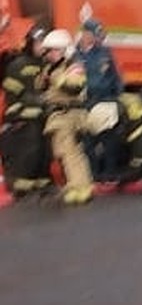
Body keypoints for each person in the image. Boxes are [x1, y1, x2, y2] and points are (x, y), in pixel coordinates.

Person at [39, 27, 94, 205]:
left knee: (73, 153)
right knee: (63, 153)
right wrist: (45, 78)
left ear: (64, 49)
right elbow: (41, 89)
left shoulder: (73, 66)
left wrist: (56, 78)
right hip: (58, 116)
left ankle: (83, 187)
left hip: (71, 114)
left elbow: (75, 86)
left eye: (54, 50)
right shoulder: (50, 68)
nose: (50, 54)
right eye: (49, 50)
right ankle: (74, 185)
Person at [0, 23, 53, 195]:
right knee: (32, 137)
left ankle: (42, 177)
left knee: (46, 142)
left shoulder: (46, 64)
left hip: (41, 110)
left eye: (43, 43)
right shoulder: (17, 65)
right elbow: (12, 94)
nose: (41, 47)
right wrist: (33, 104)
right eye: (38, 43)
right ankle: (20, 182)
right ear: (30, 43)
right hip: (19, 112)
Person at [77, 18, 124, 182]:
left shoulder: (105, 52)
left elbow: (116, 76)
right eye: (95, 35)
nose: (99, 38)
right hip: (87, 103)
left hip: (106, 101)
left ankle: (110, 173)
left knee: (109, 139)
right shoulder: (76, 54)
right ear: (85, 34)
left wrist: (117, 97)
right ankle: (94, 174)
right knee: (88, 141)